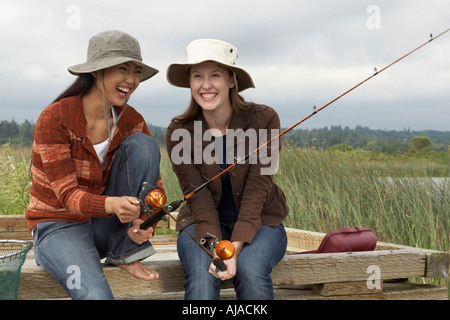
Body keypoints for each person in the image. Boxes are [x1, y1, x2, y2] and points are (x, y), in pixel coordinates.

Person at [26, 30, 164, 300]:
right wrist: (112, 204)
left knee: (145, 145)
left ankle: (124, 251)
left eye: (136, 71)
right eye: (122, 68)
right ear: (96, 72)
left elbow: (154, 187)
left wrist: (146, 223)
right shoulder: (55, 118)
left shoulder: (132, 120)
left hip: (104, 227)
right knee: (97, 295)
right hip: (58, 226)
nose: (131, 80)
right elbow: (67, 196)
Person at [165, 39, 289, 299]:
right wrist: (215, 246)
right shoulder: (178, 131)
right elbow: (196, 196)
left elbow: (259, 187)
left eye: (215, 76)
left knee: (251, 270)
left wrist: (235, 246)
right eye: (197, 76)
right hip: (200, 222)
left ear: (232, 80)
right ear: (190, 82)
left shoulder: (265, 119)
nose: (205, 85)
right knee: (202, 274)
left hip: (263, 220)